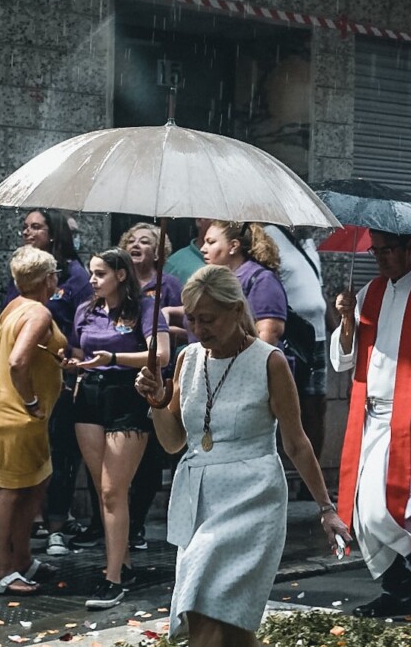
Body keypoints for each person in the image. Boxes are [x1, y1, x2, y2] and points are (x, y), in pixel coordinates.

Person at [134, 265, 349, 646]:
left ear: (236, 311)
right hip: (198, 499)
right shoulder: (186, 359)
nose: (200, 329)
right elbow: (172, 443)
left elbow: (296, 442)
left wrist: (325, 507)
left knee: (203, 608)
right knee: (231, 627)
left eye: (209, 319)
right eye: (193, 319)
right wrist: (155, 403)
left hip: (253, 497)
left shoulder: (270, 361)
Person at [331, 230, 411, 619]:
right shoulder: (368, 292)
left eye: (389, 250)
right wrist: (346, 318)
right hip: (370, 412)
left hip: (410, 413)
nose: (382, 258)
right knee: (361, 506)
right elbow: (343, 359)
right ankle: (398, 588)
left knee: (381, 502)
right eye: (377, 251)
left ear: (410, 248)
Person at [63, 249, 170, 610]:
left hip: (128, 394)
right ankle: (122, 564)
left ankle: (112, 579)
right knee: (103, 488)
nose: (92, 280)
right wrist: (73, 364)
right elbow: (81, 351)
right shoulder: (86, 310)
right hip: (90, 395)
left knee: (113, 489)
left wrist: (115, 359)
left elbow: (162, 355)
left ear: (121, 275)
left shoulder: (145, 309)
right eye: (92, 274)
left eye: (99, 273)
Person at [5, 209, 92, 555]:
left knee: (61, 451)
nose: (28, 231)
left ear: (53, 233)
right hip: (25, 379)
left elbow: (82, 323)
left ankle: (56, 521)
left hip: (62, 375)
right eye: (24, 226)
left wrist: (75, 362)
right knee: (29, 456)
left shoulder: (74, 275)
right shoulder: (22, 272)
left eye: (36, 226)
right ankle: (29, 525)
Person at [0, 246, 67, 594]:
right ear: (49, 278)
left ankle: (22, 559)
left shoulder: (14, 307)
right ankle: (1, 569)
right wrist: (31, 401)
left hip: (8, 409)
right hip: (18, 412)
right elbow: (17, 362)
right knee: (8, 490)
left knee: (33, 485)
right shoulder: (38, 313)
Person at [118, 222, 183, 552]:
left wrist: (161, 322)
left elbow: (184, 323)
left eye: (145, 241)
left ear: (159, 251)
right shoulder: (120, 283)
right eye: (132, 239)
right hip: (120, 377)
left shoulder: (168, 285)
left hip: (156, 378)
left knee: (148, 460)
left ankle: (137, 523)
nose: (136, 245)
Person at [266, 224, 330, 461]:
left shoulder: (308, 242)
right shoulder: (271, 235)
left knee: (317, 403)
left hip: (318, 337)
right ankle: (285, 467)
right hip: (292, 337)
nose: (313, 225)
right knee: (288, 404)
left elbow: (319, 292)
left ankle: (312, 476)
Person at [202, 221, 287, 346]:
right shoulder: (216, 279)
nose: (203, 249)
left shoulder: (262, 280)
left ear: (233, 246)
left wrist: (248, 363)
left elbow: (270, 331)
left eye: (211, 242)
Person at [163, 218, 213, 285]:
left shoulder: (229, 261)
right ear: (199, 220)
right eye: (217, 219)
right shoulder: (176, 264)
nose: (220, 226)